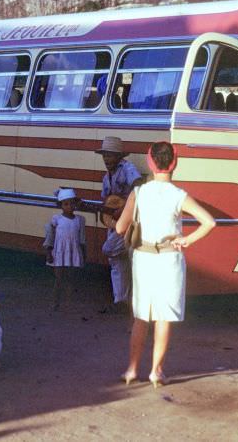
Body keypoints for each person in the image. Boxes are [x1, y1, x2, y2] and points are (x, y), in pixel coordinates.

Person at [115, 141, 215, 387]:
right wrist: (186, 240)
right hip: (170, 258)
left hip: (143, 258)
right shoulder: (178, 195)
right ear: (174, 164)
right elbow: (209, 222)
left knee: (141, 316)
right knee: (163, 317)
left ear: (150, 163)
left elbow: (119, 228)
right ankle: (156, 371)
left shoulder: (138, 193)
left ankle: (131, 369)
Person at [97, 136, 143, 312]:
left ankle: (129, 246)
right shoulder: (105, 177)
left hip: (129, 220)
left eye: (110, 156)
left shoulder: (127, 168)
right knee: (116, 261)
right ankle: (120, 301)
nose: (107, 159)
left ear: (118, 156)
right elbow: (107, 200)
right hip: (115, 222)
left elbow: (138, 186)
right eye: (105, 156)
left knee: (108, 249)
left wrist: (125, 205)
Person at [43, 188, 86, 310]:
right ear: (60, 205)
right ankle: (55, 302)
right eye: (66, 204)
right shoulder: (56, 219)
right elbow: (50, 236)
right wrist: (48, 252)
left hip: (73, 253)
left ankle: (68, 303)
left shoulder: (80, 220)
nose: (70, 206)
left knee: (70, 279)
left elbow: (82, 239)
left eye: (72, 203)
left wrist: (84, 254)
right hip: (59, 253)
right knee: (58, 279)